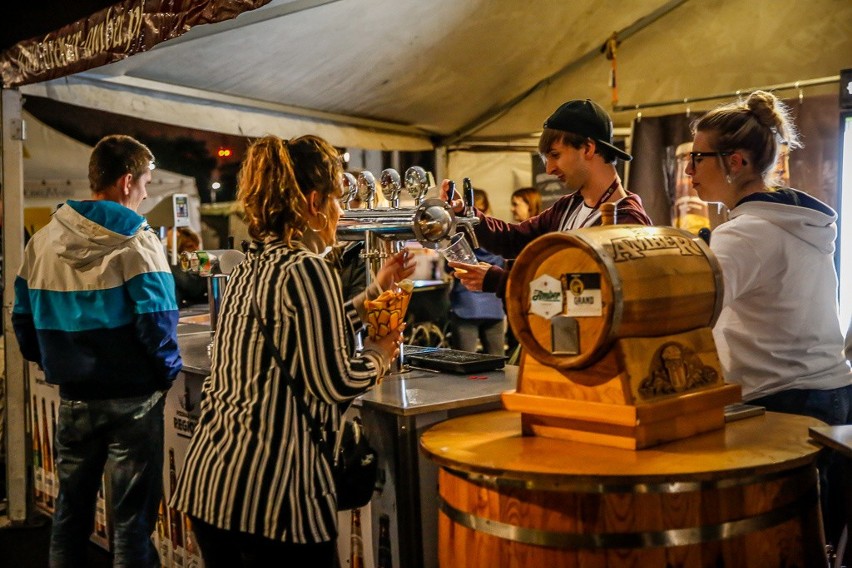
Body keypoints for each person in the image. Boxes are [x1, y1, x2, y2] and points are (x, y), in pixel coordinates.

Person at [169, 135, 413, 567]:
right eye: (338, 200)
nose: (342, 212)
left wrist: (375, 289)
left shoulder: (252, 265)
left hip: (211, 485)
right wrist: (380, 352)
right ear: (315, 202)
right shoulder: (307, 268)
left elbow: (307, 330)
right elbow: (334, 381)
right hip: (273, 496)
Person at [685, 89, 852, 545]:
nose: (689, 171)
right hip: (830, 393)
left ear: (734, 161)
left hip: (781, 400)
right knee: (821, 539)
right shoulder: (798, 220)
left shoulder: (744, 234)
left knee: (778, 544)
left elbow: (696, 313)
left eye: (696, 158)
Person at [12, 134, 182, 567]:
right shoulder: (140, 242)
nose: (146, 193)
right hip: (134, 400)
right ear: (126, 182)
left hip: (74, 395)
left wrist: (54, 362)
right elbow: (158, 323)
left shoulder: (42, 240)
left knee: (70, 514)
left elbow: (22, 318)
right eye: (145, 182)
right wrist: (164, 373)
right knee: (131, 524)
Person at [441, 98, 652, 297]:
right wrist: (464, 213)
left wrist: (501, 281)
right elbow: (513, 239)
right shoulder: (568, 206)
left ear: (588, 148)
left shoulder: (627, 221)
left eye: (555, 155)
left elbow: (590, 295)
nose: (550, 169)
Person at [449, 189, 505, 355]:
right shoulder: (499, 233)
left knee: (465, 362)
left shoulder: (459, 236)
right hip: (494, 306)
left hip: (466, 306)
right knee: (497, 363)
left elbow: (451, 266)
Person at [168, 226, 209, 308]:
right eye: (190, 246)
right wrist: (204, 261)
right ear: (179, 249)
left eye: (197, 246)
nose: (196, 249)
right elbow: (193, 288)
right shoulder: (172, 263)